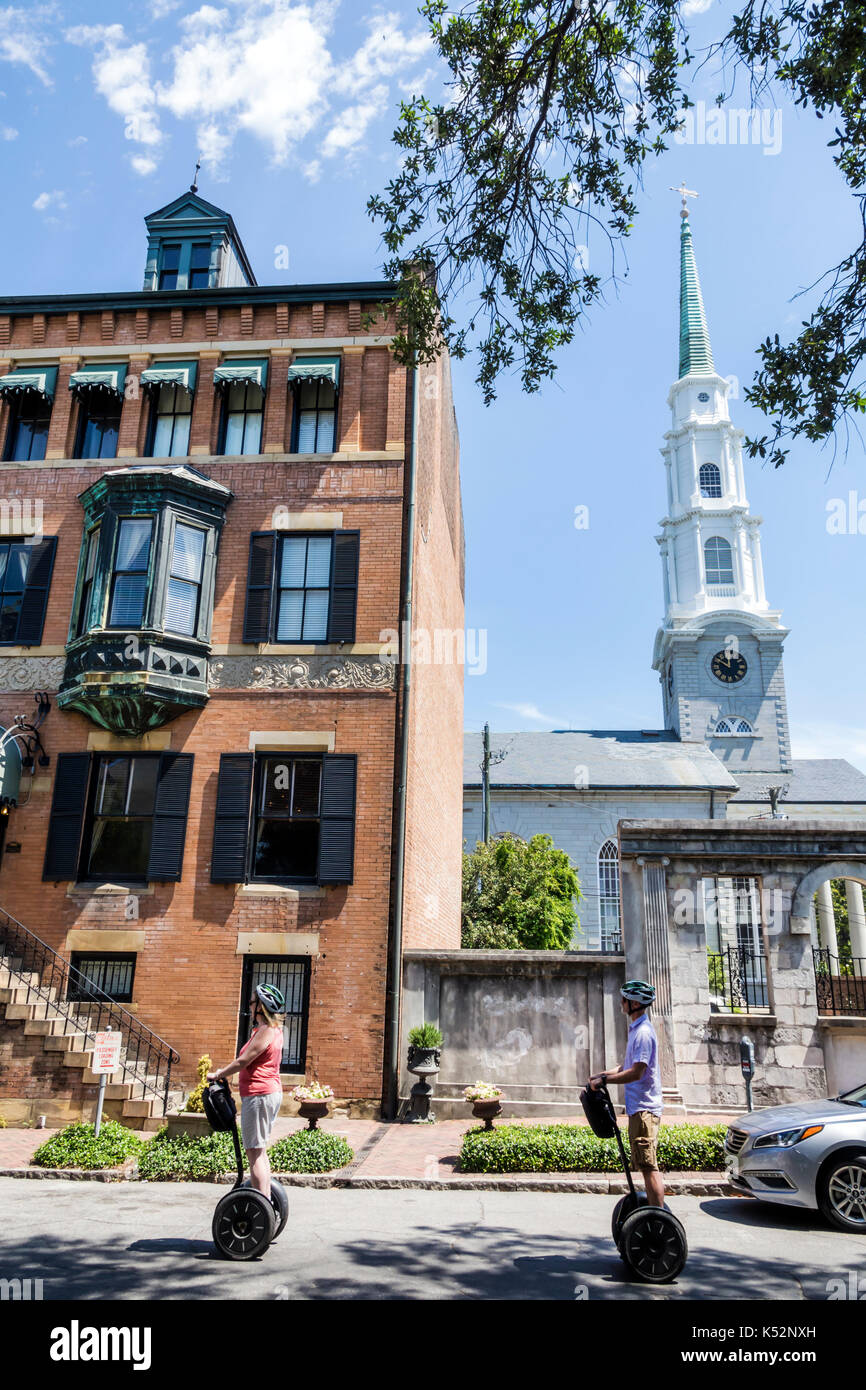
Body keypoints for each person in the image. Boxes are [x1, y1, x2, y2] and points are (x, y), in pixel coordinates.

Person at [589, 980, 664, 1207]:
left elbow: (637, 1072)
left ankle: (658, 1218)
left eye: (623, 999)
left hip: (644, 1108)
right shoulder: (636, 1030)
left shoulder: (642, 1033)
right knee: (644, 1165)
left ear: (633, 1003)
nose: (620, 1003)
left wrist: (606, 1080)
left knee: (649, 1167)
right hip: (638, 1108)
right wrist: (602, 1075)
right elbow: (626, 1067)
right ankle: (653, 1213)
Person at [208, 983, 285, 1196]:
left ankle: (262, 1204)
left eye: (252, 1002)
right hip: (267, 1093)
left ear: (261, 1006)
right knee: (258, 1150)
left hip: (260, 1094)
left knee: (254, 1152)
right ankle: (265, 1200)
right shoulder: (272, 1030)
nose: (249, 1006)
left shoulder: (266, 1031)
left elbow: (243, 1061)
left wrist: (218, 1074)